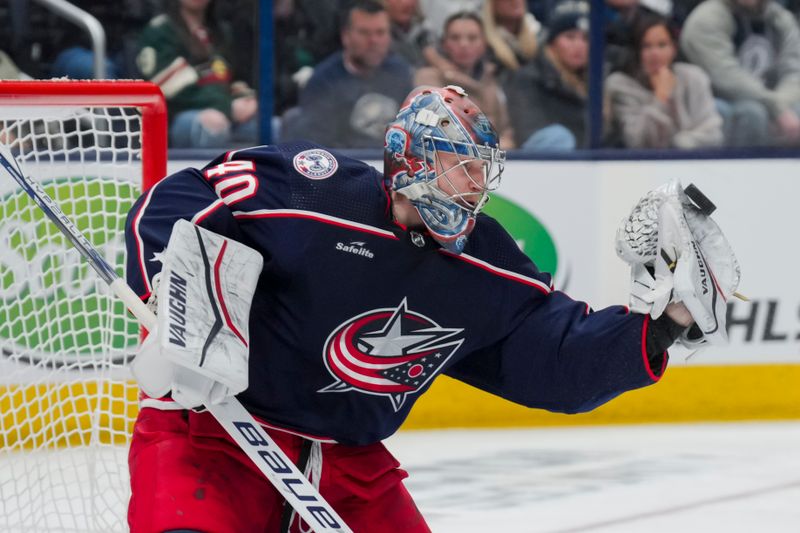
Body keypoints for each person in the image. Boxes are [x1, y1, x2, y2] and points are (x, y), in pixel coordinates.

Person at [123, 84, 732, 532]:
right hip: (213, 438)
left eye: (479, 170)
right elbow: (183, 198)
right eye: (457, 164)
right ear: (407, 154)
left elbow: (554, 357)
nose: (472, 184)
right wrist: (175, 303)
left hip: (348, 470)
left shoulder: (486, 260)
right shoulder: (313, 190)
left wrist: (666, 326)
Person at [281, 0, 413, 148]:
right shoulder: (323, 81)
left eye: (380, 32)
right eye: (364, 32)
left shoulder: (400, 74)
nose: (373, 40)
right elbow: (317, 145)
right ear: (346, 36)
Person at [136, 0, 258, 148]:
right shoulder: (160, 31)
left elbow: (233, 78)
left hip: (224, 111)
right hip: (174, 119)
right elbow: (170, 89)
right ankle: (208, 172)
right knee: (213, 125)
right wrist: (228, 107)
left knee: (270, 125)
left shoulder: (221, 30)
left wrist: (246, 100)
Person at [680, 0, 800, 147]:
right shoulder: (707, 19)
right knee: (751, 114)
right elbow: (725, 76)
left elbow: (794, 70)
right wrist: (776, 108)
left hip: (772, 98)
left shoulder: (780, 18)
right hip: (717, 99)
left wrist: (781, 104)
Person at [605, 14, 724, 149]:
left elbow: (713, 133)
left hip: (696, 164)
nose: (655, 53)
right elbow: (639, 142)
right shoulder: (620, 86)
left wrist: (678, 145)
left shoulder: (693, 77)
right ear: (636, 51)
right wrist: (660, 97)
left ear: (673, 49)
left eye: (662, 45)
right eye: (646, 46)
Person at [415, 11, 515, 147]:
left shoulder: (493, 79)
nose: (463, 44)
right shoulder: (428, 78)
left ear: (483, 44)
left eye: (472, 38)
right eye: (455, 38)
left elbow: (507, 130)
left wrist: (507, 143)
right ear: (444, 44)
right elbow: (437, 130)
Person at [507, 0, 590, 150]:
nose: (579, 45)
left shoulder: (596, 83)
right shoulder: (529, 79)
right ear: (552, 43)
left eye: (585, 38)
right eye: (570, 37)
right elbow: (530, 134)